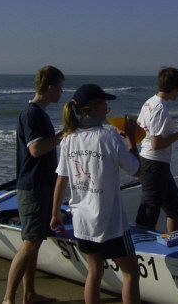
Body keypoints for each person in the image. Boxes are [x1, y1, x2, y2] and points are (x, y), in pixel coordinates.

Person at [50, 84, 141, 304]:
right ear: (96, 108)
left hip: (82, 221)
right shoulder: (109, 137)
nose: (108, 108)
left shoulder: (69, 138)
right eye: (105, 103)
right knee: (131, 272)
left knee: (94, 271)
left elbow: (61, 179)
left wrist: (55, 212)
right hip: (110, 221)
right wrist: (129, 138)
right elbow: (136, 169)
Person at [2, 66, 65, 304]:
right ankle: (9, 298)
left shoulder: (40, 113)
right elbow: (36, 149)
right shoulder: (32, 113)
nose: (61, 92)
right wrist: (62, 135)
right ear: (49, 87)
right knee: (30, 242)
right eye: (59, 87)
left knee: (35, 241)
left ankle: (29, 294)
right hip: (32, 186)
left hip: (42, 185)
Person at [135, 67, 178, 232]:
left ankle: (173, 240)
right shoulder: (159, 108)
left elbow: (139, 129)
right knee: (149, 212)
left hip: (157, 164)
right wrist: (177, 135)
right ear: (173, 88)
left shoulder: (148, 102)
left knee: (176, 208)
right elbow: (156, 143)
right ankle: (139, 247)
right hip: (154, 164)